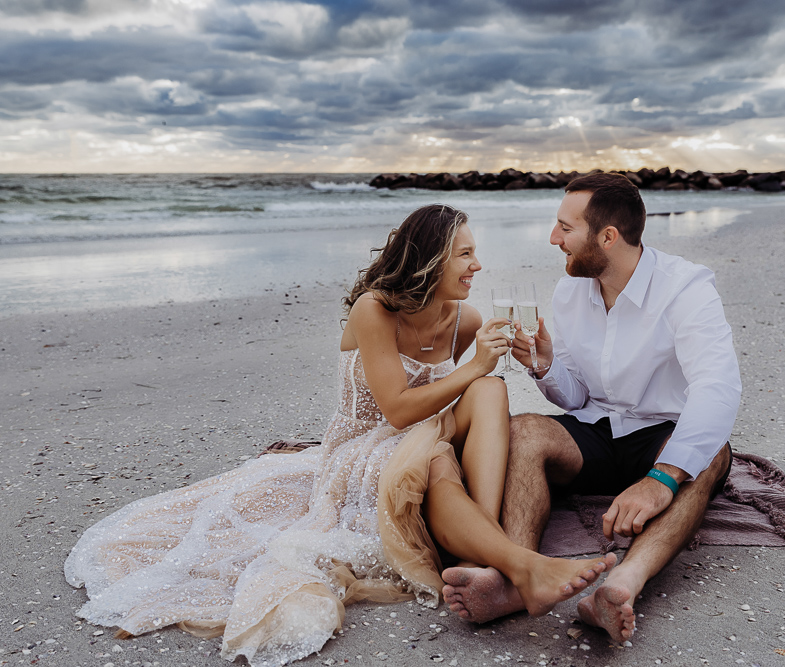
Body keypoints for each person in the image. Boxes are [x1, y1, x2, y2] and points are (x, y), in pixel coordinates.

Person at [65, 204, 615, 667]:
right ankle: (519, 565)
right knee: (435, 457)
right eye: (465, 254)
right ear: (430, 261)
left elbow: (481, 381)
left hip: (426, 431)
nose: (478, 264)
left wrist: (525, 358)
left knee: (491, 392)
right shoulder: (374, 310)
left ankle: (489, 540)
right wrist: (473, 367)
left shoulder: (460, 316)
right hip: (364, 444)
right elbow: (397, 411)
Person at [442, 174, 741, 643]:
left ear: (607, 237)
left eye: (565, 227)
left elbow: (717, 387)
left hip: (660, 435)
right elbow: (577, 395)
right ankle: (516, 578)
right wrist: (545, 367)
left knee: (711, 454)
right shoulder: (570, 291)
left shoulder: (685, 288)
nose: (552, 238)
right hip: (597, 431)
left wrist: (662, 480)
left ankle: (620, 587)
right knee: (522, 430)